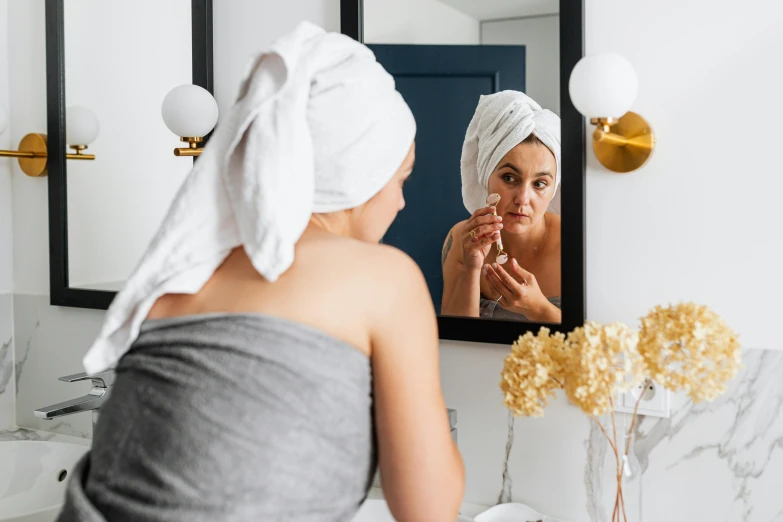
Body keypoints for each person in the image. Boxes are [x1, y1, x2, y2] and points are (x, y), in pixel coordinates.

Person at [57, 22, 464, 522]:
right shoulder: (387, 279)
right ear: (361, 170)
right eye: (400, 179)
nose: (401, 202)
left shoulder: (182, 274)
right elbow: (430, 508)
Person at [441, 91, 561, 323]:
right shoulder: (460, 238)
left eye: (539, 184)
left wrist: (539, 309)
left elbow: (600, 347)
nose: (523, 198)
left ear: (553, 188)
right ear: (486, 176)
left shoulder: (575, 245)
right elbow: (456, 338)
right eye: (509, 178)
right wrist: (471, 268)